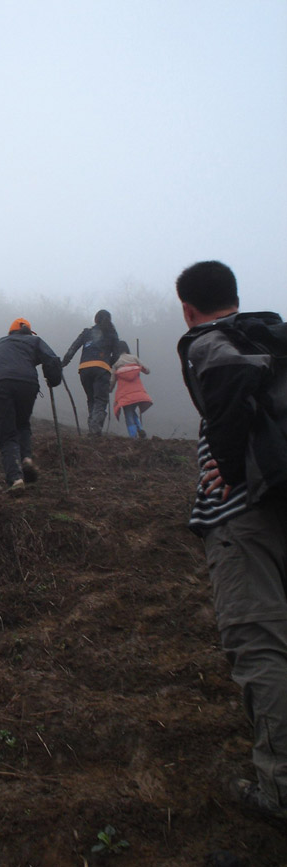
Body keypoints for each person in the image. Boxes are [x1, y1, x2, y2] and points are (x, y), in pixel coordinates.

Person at [176, 259, 287, 820]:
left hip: (247, 519)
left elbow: (228, 379)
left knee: (261, 642)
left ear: (188, 308)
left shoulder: (207, 342)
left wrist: (229, 462)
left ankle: (279, 791)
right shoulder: (274, 336)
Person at [0, 318, 62, 496]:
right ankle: (26, 458)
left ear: (11, 332)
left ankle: (16, 478)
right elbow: (52, 359)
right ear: (28, 332)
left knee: (7, 434)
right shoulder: (34, 340)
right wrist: (53, 379)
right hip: (27, 384)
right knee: (22, 423)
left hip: (1, 384)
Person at [62, 309, 120, 435]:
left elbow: (73, 348)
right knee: (100, 400)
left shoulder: (86, 332)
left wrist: (63, 363)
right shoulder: (112, 333)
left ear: (95, 319)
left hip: (84, 369)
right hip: (101, 369)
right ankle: (95, 428)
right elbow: (117, 354)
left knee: (91, 399)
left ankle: (92, 428)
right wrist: (107, 364)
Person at [110, 340, 153, 439]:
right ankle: (140, 428)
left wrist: (110, 389)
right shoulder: (134, 358)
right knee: (132, 411)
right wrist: (138, 368)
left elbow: (112, 381)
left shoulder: (116, 363)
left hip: (124, 393)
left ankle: (133, 436)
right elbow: (147, 370)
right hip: (138, 392)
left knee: (128, 413)